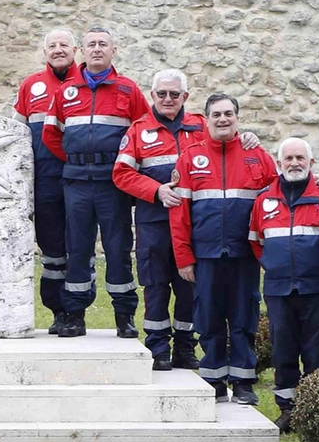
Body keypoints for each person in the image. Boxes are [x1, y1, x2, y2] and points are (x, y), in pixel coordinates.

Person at [41, 27, 149, 339]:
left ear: (113, 51)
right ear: (82, 52)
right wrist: (77, 159)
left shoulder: (128, 90)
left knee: (117, 248)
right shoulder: (67, 91)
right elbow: (51, 134)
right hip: (75, 182)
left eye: (103, 44)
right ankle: (75, 315)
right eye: (91, 45)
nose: (97, 49)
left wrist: (116, 164)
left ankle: (124, 315)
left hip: (112, 184)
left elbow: (141, 133)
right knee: (77, 248)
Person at [171, 94, 278, 405]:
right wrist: (183, 257)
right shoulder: (190, 158)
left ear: (237, 118)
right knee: (208, 317)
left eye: (228, 114)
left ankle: (243, 381)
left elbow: (276, 203)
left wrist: (265, 253)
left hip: (244, 255)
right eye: (216, 114)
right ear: (206, 119)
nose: (222, 119)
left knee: (244, 317)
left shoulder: (258, 157)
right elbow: (179, 214)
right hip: (205, 255)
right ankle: (214, 379)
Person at [113, 70, 204, 370]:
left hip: (192, 224)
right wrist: (156, 190)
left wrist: (248, 138)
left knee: (189, 286)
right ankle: (157, 347)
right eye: (162, 94)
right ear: (151, 96)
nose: (168, 99)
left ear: (185, 98)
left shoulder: (201, 127)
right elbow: (122, 174)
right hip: (154, 222)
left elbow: (226, 152)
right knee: (156, 285)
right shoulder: (139, 131)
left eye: (174, 94)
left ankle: (185, 347)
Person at [250, 138, 319, 428]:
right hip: (279, 290)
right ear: (278, 164)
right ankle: (288, 410)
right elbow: (257, 242)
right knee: (283, 350)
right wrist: (275, 267)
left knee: (317, 350)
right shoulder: (263, 201)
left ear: (311, 163)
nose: (294, 163)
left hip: (318, 289)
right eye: (288, 158)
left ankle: (313, 410)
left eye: (300, 158)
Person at [13, 29, 77, 334]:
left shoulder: (87, 83)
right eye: (52, 45)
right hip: (45, 180)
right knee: (51, 249)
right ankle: (58, 311)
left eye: (64, 44)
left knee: (79, 247)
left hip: (80, 179)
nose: (58, 49)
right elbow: (15, 135)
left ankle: (77, 311)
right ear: (44, 52)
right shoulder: (31, 85)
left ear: (75, 49)